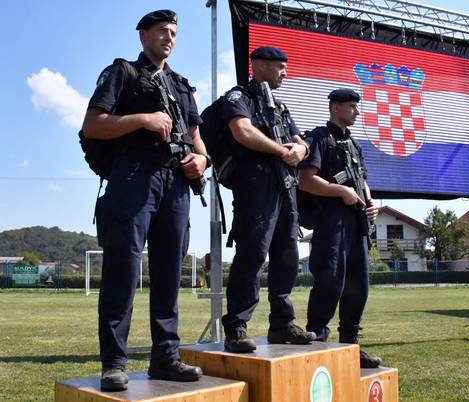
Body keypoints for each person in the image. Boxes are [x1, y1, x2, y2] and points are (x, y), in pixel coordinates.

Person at [82, 10, 206, 391]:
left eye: (173, 32)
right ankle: (114, 363)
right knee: (123, 270)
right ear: (142, 35)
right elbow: (93, 125)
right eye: (161, 31)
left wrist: (201, 160)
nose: (168, 38)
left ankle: (165, 357)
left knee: (170, 273)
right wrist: (142, 119)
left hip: (176, 184)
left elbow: (197, 139)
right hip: (133, 177)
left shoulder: (181, 85)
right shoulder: (123, 73)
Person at [220, 46, 316, 353]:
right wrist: (282, 151)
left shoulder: (280, 107)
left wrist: (300, 151)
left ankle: (282, 325)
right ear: (259, 65)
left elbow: (301, 143)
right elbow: (242, 131)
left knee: (287, 256)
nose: (285, 73)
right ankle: (236, 326)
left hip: (285, 188)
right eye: (280, 67)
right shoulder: (239, 97)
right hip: (255, 186)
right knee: (253, 254)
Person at [298, 88, 382, 368]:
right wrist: (340, 192)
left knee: (359, 287)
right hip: (331, 222)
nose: (356, 111)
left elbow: (362, 179)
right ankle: (319, 344)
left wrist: (371, 202)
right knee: (330, 282)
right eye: (351, 106)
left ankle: (350, 347)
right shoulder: (320, 139)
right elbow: (305, 180)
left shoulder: (354, 144)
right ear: (335, 108)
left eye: (357, 107)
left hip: (357, 223)